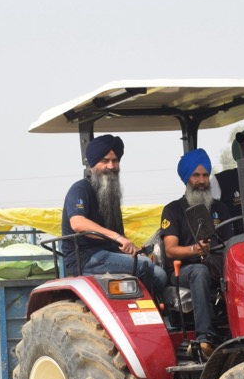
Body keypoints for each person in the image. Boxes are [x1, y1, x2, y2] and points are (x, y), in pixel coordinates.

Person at [61, 133, 167, 296]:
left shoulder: (111, 195)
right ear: (93, 165)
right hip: (87, 258)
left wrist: (132, 248)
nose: (111, 166)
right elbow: (78, 223)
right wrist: (117, 238)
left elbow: (119, 236)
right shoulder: (80, 189)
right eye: (105, 160)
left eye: (115, 160)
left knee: (161, 274)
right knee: (143, 265)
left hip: (107, 254)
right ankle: (144, 313)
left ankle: (165, 316)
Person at [160, 149, 232, 356]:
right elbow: (170, 250)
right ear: (186, 179)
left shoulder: (220, 208)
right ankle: (204, 338)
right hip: (181, 271)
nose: (202, 181)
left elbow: (229, 243)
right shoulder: (173, 210)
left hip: (215, 264)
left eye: (205, 175)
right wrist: (194, 249)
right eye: (196, 175)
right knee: (199, 271)